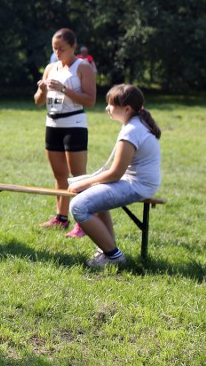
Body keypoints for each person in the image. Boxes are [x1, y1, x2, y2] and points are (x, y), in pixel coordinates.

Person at [68, 84, 161, 268]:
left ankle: (113, 256)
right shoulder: (135, 124)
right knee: (92, 194)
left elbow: (116, 173)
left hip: (137, 185)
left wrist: (84, 183)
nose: (107, 108)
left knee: (78, 206)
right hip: (139, 183)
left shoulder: (132, 130)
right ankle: (106, 251)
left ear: (126, 109)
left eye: (110, 104)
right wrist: (88, 183)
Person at [33, 28, 97, 237]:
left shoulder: (83, 67)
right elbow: (38, 101)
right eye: (54, 48)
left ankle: (84, 222)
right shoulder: (51, 68)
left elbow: (90, 100)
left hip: (74, 124)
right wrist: (42, 89)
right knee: (59, 175)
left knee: (78, 177)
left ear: (73, 47)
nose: (57, 52)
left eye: (61, 49)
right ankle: (61, 218)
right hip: (52, 125)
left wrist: (64, 89)